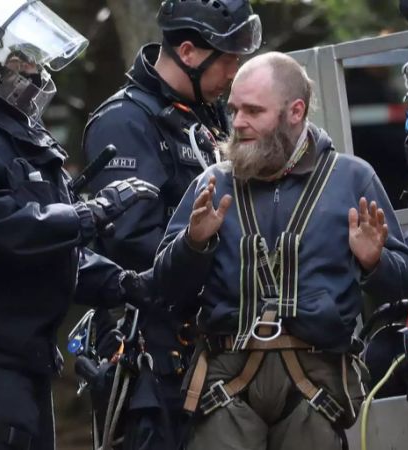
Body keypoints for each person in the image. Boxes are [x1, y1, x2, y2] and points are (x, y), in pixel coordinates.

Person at [0, 1, 159, 448]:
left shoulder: (13, 132)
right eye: (21, 61)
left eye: (34, 60)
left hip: (24, 363)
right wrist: (91, 213)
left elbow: (48, 245)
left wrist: (121, 282)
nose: (35, 71)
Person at [153, 51, 408, 450]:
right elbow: (166, 288)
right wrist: (194, 244)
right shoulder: (213, 184)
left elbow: (404, 284)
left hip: (317, 384)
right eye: (234, 109)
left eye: (253, 111)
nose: (237, 122)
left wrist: (373, 261)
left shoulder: (352, 179)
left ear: (295, 111)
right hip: (226, 381)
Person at [81, 0, 261, 446]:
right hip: (152, 353)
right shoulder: (125, 122)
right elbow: (133, 243)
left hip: (217, 344)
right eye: (229, 60)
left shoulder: (209, 111)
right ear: (189, 52)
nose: (235, 73)